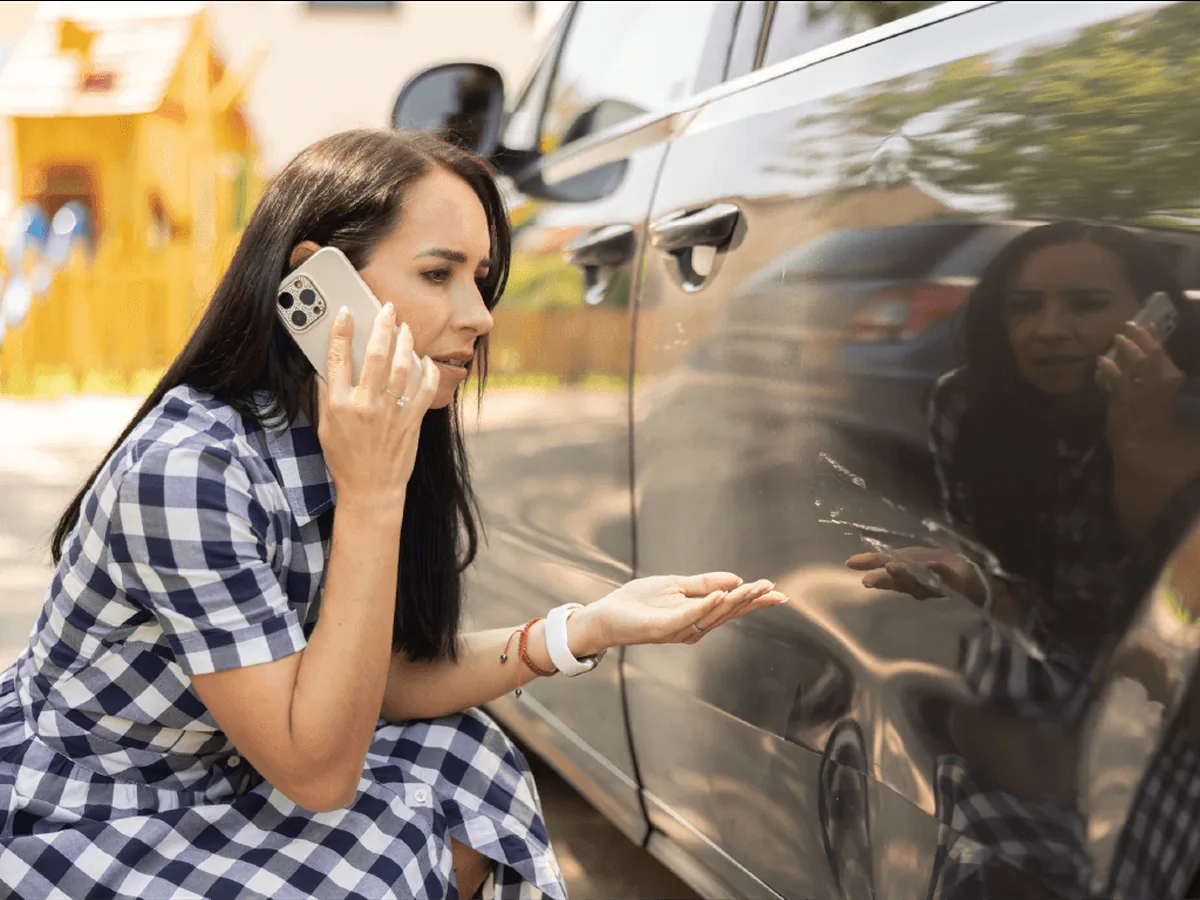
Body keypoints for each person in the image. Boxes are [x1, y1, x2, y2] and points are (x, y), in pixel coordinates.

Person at [0, 129, 787, 900]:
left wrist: (587, 629)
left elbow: (383, 681)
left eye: (480, 278)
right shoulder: (191, 473)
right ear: (316, 284)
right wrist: (373, 496)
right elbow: (316, 771)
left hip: (239, 769)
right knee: (380, 861)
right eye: (439, 273)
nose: (478, 316)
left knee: (464, 758)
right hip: (101, 806)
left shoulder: (357, 424)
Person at [846, 220, 1200, 898]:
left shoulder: (1183, 412)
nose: (1048, 328)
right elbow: (1026, 597)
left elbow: (1154, 620)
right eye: (1024, 305)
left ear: (1153, 317)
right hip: (1053, 662)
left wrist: (1146, 441)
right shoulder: (969, 404)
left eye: (1087, 304)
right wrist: (972, 581)